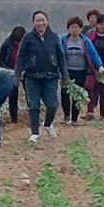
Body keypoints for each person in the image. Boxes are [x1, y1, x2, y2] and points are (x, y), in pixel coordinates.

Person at [14, 10, 68, 143]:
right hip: (32, 77)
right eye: (37, 20)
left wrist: (65, 75)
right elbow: (20, 58)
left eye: (43, 20)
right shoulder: (28, 38)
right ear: (33, 23)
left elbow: (61, 58)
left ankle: (48, 124)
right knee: (33, 105)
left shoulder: (54, 37)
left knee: (52, 105)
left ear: (47, 21)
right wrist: (17, 74)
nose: (40, 23)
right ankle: (34, 133)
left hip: (50, 76)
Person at [60, 16, 104, 126]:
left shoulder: (85, 41)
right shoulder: (63, 40)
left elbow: (93, 54)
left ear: (80, 28)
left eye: (76, 27)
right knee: (65, 94)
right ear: (68, 29)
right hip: (67, 71)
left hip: (81, 71)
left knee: (77, 95)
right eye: (71, 27)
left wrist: (100, 66)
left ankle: (74, 119)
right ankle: (66, 116)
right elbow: (59, 55)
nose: (74, 29)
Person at [0, 25, 26, 123]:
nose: (18, 43)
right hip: (11, 72)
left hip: (24, 71)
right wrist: (8, 69)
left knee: (30, 94)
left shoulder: (28, 44)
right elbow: (1, 60)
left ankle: (33, 117)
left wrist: (25, 69)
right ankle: (14, 119)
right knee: (13, 95)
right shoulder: (6, 44)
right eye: (16, 42)